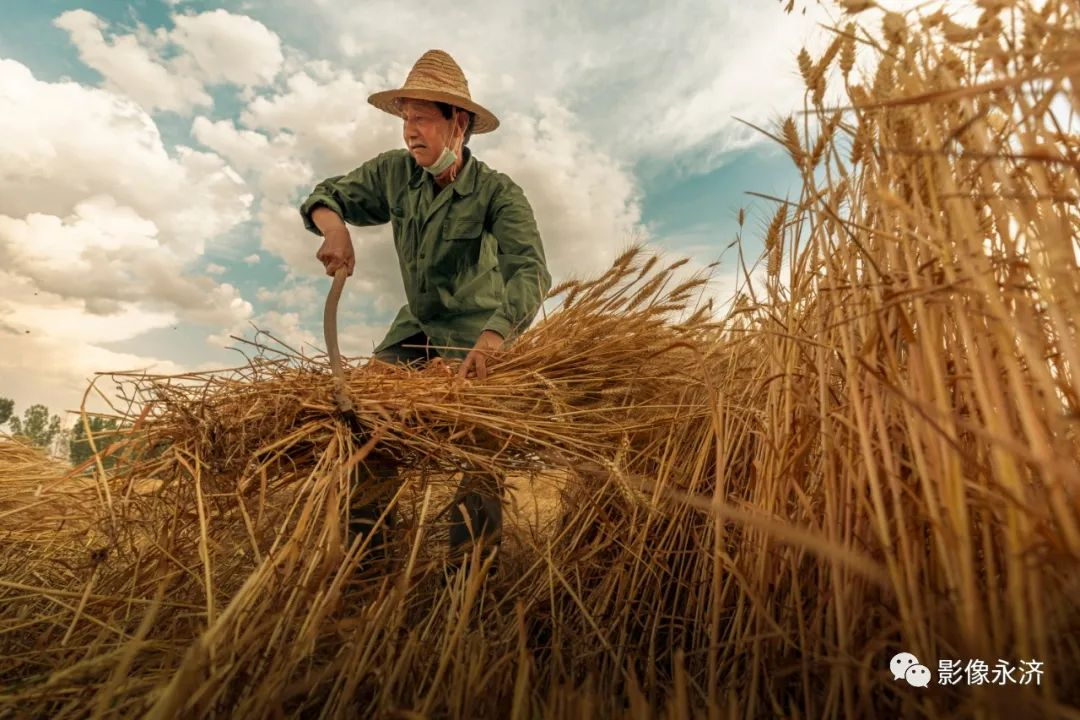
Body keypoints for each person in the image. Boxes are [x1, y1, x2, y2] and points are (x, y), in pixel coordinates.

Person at [298, 49, 552, 576]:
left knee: (481, 453)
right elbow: (325, 196)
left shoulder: (498, 193)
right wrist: (337, 230)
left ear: (457, 122)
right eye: (404, 118)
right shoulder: (395, 174)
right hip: (414, 327)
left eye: (420, 119)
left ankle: (468, 581)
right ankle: (372, 564)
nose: (409, 132)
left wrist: (495, 338)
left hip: (476, 334)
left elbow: (531, 270)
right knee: (364, 425)